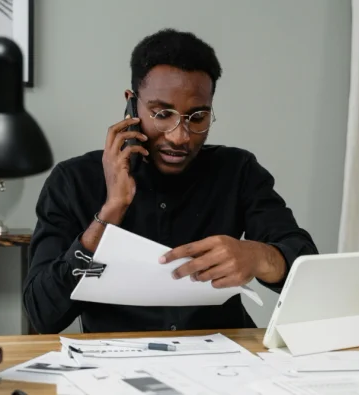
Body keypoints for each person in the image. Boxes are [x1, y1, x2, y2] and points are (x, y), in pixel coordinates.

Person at [24, 28, 317, 334]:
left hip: (227, 362)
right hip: (116, 367)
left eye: (197, 117)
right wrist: (110, 213)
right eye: (162, 114)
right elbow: (43, 314)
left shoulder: (237, 170)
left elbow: (308, 270)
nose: (180, 136)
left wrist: (257, 257)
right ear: (131, 103)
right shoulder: (73, 181)